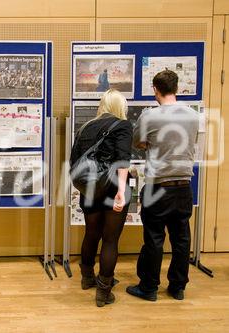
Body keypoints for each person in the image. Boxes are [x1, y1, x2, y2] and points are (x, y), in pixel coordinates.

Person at [127, 70, 199, 301]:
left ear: (155, 89)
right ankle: (178, 287)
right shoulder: (193, 115)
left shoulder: (149, 116)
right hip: (183, 185)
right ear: (177, 88)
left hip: (158, 185)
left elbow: (137, 142)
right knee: (181, 239)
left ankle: (149, 288)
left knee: (154, 237)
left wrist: (153, 145)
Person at [70, 89, 133, 307]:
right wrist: (121, 191)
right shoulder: (123, 125)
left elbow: (74, 162)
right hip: (113, 186)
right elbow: (123, 161)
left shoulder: (84, 127)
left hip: (88, 189)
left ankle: (87, 278)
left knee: (91, 233)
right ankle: (104, 292)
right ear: (119, 106)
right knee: (110, 240)